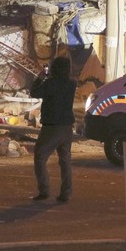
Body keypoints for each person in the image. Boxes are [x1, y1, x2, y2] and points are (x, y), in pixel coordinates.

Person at [30, 56, 76, 203]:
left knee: (40, 156)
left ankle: (44, 190)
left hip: (52, 126)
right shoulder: (71, 83)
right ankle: (66, 193)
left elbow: (34, 93)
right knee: (65, 160)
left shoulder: (51, 83)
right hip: (67, 126)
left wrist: (40, 78)